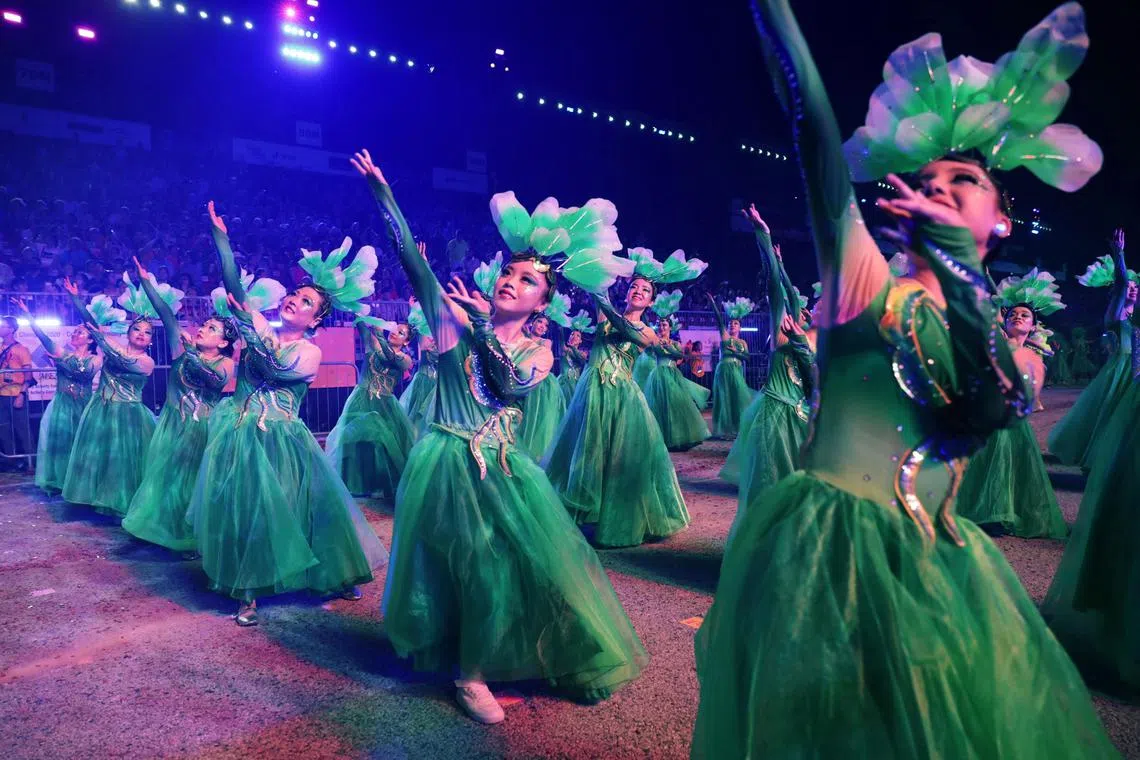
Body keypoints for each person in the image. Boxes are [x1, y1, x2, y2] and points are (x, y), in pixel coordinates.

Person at [692, 3, 1114, 756]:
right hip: (828, 546)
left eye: (965, 178)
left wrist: (959, 271)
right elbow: (813, 130)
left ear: (1000, 223)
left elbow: (992, 404)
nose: (941, 185)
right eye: (927, 177)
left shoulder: (1016, 348)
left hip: (939, 564)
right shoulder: (864, 284)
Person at [355, 152, 646, 724]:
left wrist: (485, 327)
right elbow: (412, 262)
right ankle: (469, 674)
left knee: (514, 569)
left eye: (528, 281)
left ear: (543, 302)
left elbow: (511, 382)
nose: (512, 282)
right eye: (508, 273)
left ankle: (502, 659)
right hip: (447, 465)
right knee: (464, 568)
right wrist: (383, 195)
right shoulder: (452, 324)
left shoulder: (540, 350)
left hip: (506, 471)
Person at [188, 202, 387, 626]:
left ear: (316, 319)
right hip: (240, 434)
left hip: (284, 438)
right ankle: (248, 590)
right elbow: (235, 293)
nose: (295, 301)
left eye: (306, 301)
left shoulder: (309, 351)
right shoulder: (258, 327)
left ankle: (331, 573)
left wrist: (250, 326)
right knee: (247, 509)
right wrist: (223, 243)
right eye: (295, 295)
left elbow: (277, 367)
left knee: (305, 509)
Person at [545, 248, 700, 548]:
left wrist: (602, 298)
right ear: (627, 291)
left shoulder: (648, 333)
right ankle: (581, 516)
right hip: (592, 392)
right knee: (587, 454)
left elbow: (625, 330)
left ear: (651, 301)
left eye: (645, 290)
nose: (638, 291)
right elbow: (596, 289)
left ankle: (617, 523)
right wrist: (586, 261)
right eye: (634, 287)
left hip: (623, 398)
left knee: (620, 461)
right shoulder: (605, 314)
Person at [122, 256, 240, 553]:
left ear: (223, 343)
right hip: (172, 424)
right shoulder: (180, 344)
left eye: (212, 329)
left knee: (191, 482)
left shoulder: (226, 363)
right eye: (205, 325)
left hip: (202, 429)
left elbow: (214, 380)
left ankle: (190, 534)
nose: (203, 329)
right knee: (163, 478)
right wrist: (146, 282)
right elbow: (165, 313)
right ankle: (158, 528)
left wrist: (191, 354)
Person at [955, 272, 1069, 538]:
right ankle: (988, 513)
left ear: (1033, 326)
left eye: (1025, 315)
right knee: (990, 460)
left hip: (1015, 418)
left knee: (1009, 464)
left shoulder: (1033, 354)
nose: (1018, 317)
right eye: (1013, 314)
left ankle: (1003, 512)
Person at [719, 207, 815, 511]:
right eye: (800, 310)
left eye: (808, 311)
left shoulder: (816, 341)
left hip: (805, 418)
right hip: (775, 414)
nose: (804, 311)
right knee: (772, 484)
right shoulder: (784, 333)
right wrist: (764, 236)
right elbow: (779, 289)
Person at [60, 275, 158, 514]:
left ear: (151, 341)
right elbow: (92, 327)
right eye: (137, 329)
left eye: (147, 332)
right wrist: (76, 300)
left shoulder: (147, 362)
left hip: (128, 414)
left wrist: (103, 339)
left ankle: (121, 503)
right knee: (97, 456)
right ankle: (93, 498)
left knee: (121, 461)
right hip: (100, 409)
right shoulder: (112, 345)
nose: (141, 334)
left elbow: (121, 359)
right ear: (129, 332)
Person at [1047, 229, 1133, 469]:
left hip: (1136, 368)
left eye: (1136, 286)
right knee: (1111, 414)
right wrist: (1119, 254)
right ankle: (1103, 456)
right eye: (1129, 287)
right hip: (1120, 370)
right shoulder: (1115, 315)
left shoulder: (1136, 319)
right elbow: (1122, 282)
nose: (1133, 288)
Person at [324, 316, 415, 500]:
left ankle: (380, 484)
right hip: (361, 399)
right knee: (356, 441)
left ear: (406, 341)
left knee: (381, 444)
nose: (395, 333)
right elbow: (361, 325)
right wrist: (359, 312)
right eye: (395, 329)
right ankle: (357, 483)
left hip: (385, 405)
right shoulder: (372, 343)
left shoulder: (406, 359)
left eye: (401, 333)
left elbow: (388, 357)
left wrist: (380, 335)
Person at [11, 299, 99, 489]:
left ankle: (82, 483)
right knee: (61, 445)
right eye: (74, 331)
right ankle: (63, 482)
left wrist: (60, 362)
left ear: (90, 340)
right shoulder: (64, 353)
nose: (75, 334)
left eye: (80, 332)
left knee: (83, 444)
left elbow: (84, 373)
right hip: (62, 405)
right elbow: (43, 337)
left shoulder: (95, 358)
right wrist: (27, 314)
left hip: (84, 404)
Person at [641, 291, 710, 451]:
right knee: (658, 406)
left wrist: (669, 348)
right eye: (659, 324)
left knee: (676, 405)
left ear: (670, 328)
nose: (661, 327)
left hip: (672, 375)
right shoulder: (654, 342)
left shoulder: (675, 343)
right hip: (658, 375)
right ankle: (659, 438)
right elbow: (646, 329)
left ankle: (679, 436)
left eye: (664, 325)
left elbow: (680, 356)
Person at [708, 294, 754, 439]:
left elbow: (747, 358)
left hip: (736, 371)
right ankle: (725, 430)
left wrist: (736, 352)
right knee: (725, 399)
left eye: (735, 323)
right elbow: (719, 319)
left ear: (740, 327)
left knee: (737, 399)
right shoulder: (725, 336)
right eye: (731, 323)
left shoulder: (743, 342)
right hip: (724, 370)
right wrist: (713, 303)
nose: (732, 325)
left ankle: (738, 428)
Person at [399, 297, 438, 435]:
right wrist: (414, 309)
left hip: (438, 385)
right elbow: (418, 331)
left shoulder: (444, 335)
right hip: (423, 381)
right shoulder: (424, 332)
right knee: (417, 419)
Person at [0, 315, 34, 471]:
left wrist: (22, 394)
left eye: (3, 326)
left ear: (12, 329)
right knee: (4, 429)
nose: (0, 328)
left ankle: (30, 462)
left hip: (16, 394)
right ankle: (11, 462)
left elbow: (28, 375)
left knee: (22, 429)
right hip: (2, 394)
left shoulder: (21, 349)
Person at [558, 311, 591, 404]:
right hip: (563, 383)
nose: (574, 337)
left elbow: (580, 360)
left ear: (580, 341)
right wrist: (560, 324)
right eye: (572, 334)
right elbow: (561, 339)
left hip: (576, 385)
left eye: (578, 336)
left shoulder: (583, 353)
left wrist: (573, 347)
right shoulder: (564, 350)